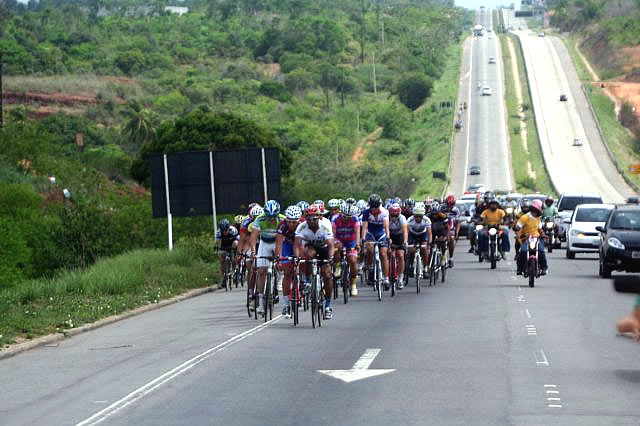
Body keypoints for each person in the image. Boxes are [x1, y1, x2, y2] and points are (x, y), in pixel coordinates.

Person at [295, 204, 335, 319]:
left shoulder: (325, 225)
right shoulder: (302, 226)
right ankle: (308, 280)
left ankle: (328, 305)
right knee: (307, 255)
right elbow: (297, 245)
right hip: (310, 247)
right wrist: (297, 258)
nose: (311, 221)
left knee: (327, 274)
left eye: (314, 219)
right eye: (309, 219)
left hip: (324, 248)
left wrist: (330, 258)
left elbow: (331, 245)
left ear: (319, 217)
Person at [249, 200, 285, 315]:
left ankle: (279, 278)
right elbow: (253, 236)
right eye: (269, 217)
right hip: (264, 243)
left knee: (281, 263)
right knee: (261, 271)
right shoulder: (260, 219)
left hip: (277, 242)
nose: (271, 219)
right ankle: (260, 300)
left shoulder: (282, 219)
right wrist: (253, 251)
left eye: (274, 217)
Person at [275, 205, 302, 319]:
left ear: (298, 220)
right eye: (289, 221)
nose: (291, 224)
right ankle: (286, 304)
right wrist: (278, 259)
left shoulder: (303, 225)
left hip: (300, 244)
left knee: (301, 266)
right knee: (287, 273)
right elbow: (279, 244)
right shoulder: (282, 226)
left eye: (294, 222)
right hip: (287, 245)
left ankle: (304, 283)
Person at [361, 194, 391, 289]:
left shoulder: (384, 212)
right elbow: (364, 228)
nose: (374, 208)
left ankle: (386, 278)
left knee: (383, 254)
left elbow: (386, 227)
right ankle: (370, 268)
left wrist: (388, 237)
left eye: (376, 206)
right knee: (370, 249)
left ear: (379, 205)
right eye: (372, 206)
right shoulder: (366, 212)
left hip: (381, 233)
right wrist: (363, 239)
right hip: (370, 233)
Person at [332, 204, 361, 296]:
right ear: (341, 214)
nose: (347, 219)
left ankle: (353, 285)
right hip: (339, 239)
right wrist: (334, 243)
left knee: (353, 261)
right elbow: (332, 234)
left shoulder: (355, 219)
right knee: (336, 247)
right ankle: (337, 266)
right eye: (345, 217)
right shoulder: (335, 219)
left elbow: (357, 233)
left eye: (349, 217)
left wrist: (357, 244)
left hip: (350, 242)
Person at [515, 199, 548, 275]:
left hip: (537, 238)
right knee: (523, 251)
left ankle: (544, 267)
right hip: (526, 238)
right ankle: (519, 268)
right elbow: (518, 227)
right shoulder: (524, 217)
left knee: (541, 251)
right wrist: (519, 234)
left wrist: (543, 235)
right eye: (541, 208)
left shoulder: (538, 218)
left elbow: (540, 229)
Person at [406, 204, 431, 278]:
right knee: (412, 250)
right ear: (414, 215)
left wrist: (429, 243)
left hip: (423, 234)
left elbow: (429, 233)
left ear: (423, 216)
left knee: (424, 249)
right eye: (416, 216)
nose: (418, 218)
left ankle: (425, 268)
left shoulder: (427, 220)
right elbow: (406, 232)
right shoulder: (409, 220)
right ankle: (411, 265)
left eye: (420, 216)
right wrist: (406, 242)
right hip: (412, 234)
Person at [388, 203, 408, 288]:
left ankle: (400, 277)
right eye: (392, 215)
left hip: (399, 236)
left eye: (396, 216)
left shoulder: (402, 218)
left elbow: (405, 231)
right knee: (389, 254)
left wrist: (405, 241)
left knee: (400, 255)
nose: (393, 218)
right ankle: (389, 274)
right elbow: (385, 230)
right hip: (390, 235)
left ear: (399, 215)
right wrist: (388, 239)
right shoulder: (387, 218)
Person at [427, 201, 450, 276]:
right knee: (430, 249)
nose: (435, 215)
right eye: (433, 214)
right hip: (432, 232)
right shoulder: (428, 216)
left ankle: (443, 257)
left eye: (436, 214)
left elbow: (447, 227)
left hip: (441, 231)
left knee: (442, 242)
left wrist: (446, 237)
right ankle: (428, 265)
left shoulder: (443, 216)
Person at [215, 219, 239, 286]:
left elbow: (238, 240)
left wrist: (236, 250)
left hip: (232, 242)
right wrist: (216, 248)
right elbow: (217, 242)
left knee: (233, 258)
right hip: (224, 243)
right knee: (222, 259)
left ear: (228, 227)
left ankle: (235, 271)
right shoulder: (219, 232)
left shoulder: (233, 230)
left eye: (226, 230)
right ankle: (223, 278)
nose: (224, 232)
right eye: (223, 230)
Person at [443, 194, 460, 267]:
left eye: (451, 205)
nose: (449, 206)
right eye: (448, 205)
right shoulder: (442, 208)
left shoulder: (456, 210)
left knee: (451, 239)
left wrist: (457, 233)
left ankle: (451, 258)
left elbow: (458, 222)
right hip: (443, 227)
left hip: (452, 228)